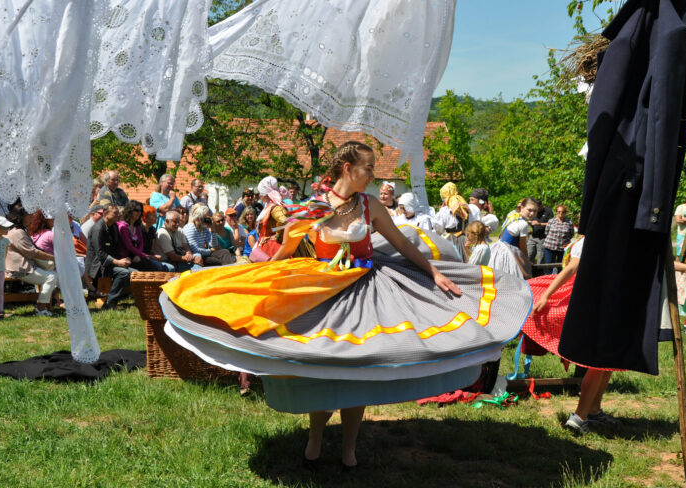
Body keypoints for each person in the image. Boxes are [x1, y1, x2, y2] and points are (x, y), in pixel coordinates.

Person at [159, 141, 531, 469]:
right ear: (348, 169)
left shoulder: (369, 205)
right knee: (324, 365)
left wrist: (434, 273)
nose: (373, 175)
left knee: (358, 369)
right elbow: (287, 248)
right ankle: (316, 438)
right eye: (368, 168)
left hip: (368, 287)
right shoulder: (314, 206)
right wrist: (257, 277)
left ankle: (349, 446)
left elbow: (402, 245)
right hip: (323, 289)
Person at [522, 237, 623, 434]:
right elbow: (571, 268)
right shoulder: (589, 241)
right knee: (600, 361)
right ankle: (580, 416)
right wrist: (546, 296)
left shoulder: (613, 236)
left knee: (608, 362)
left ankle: (593, 410)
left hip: (605, 298)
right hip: (588, 300)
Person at [4, 208, 59, 316]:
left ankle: (45, 306)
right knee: (51, 277)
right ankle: (40, 309)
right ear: (20, 217)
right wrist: (53, 258)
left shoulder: (18, 231)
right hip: (18, 269)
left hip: (20, 267)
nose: (32, 217)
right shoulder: (17, 232)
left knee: (51, 274)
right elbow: (33, 252)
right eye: (29, 215)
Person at [85, 204, 136, 309]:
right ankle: (110, 302)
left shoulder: (114, 226)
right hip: (98, 265)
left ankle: (127, 297)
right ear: (105, 213)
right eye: (115, 213)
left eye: (118, 213)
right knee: (124, 273)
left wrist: (123, 259)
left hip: (109, 263)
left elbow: (115, 248)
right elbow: (100, 254)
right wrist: (118, 262)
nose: (118, 215)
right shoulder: (98, 229)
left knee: (135, 273)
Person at [487, 197, 537, 280]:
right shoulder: (523, 224)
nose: (532, 213)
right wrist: (527, 261)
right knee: (514, 275)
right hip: (508, 250)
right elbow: (523, 246)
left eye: (534, 211)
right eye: (529, 210)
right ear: (522, 207)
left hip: (499, 246)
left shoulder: (513, 216)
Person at [116, 201, 167, 271]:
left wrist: (138, 255)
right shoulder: (123, 226)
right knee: (153, 267)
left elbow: (141, 243)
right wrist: (143, 255)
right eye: (136, 210)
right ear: (130, 210)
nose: (139, 213)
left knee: (153, 266)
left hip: (136, 256)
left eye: (140, 211)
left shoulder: (137, 226)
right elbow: (129, 246)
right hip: (124, 257)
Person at [542, 205, 575, 272]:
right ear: (556, 212)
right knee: (549, 265)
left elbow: (571, 234)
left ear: (565, 213)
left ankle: (560, 280)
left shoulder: (569, 222)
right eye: (559, 212)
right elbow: (546, 232)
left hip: (562, 248)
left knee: (561, 266)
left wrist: (565, 242)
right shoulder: (551, 221)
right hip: (550, 246)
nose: (561, 213)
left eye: (563, 212)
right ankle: (548, 279)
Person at [527, 199, 553, 265]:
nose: (536, 210)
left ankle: (539, 272)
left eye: (537, 208)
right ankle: (529, 271)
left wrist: (539, 224)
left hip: (543, 238)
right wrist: (529, 223)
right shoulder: (534, 212)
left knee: (541, 257)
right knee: (529, 254)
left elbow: (551, 223)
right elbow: (530, 220)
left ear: (542, 206)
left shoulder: (548, 211)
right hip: (533, 236)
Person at [675, 193, 686, 259]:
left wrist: (685, 220)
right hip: (682, 234)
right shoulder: (681, 207)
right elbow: (678, 220)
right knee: (679, 255)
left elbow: (682, 220)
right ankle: (676, 268)